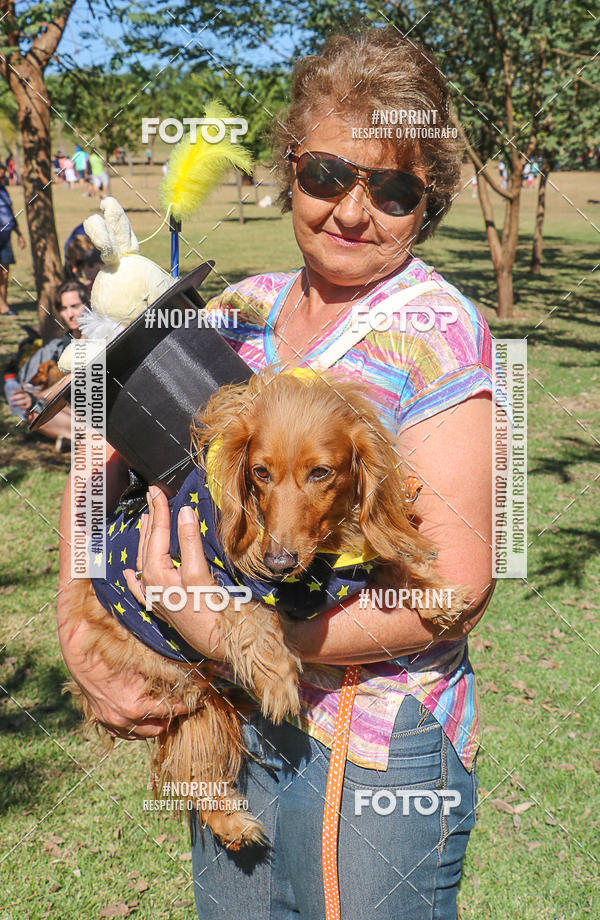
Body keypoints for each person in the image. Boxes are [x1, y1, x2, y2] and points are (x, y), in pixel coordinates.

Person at [57, 28, 496, 920]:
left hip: (370, 752)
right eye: (328, 174)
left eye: (396, 189)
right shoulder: (239, 311)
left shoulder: (446, 337)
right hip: (231, 729)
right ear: (291, 166)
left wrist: (231, 638)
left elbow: (458, 587)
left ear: (430, 204)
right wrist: (76, 613)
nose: (352, 211)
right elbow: (97, 443)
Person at [4, 279, 88, 442]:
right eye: (64, 308)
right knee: (37, 415)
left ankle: (84, 439)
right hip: (77, 407)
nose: (70, 314)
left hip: (100, 405)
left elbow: (74, 380)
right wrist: (34, 398)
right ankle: (83, 439)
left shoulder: (97, 334)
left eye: (75, 306)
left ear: (88, 304)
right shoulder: (67, 341)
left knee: (40, 405)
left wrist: (38, 397)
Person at [0, 164, 26, 316]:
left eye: (3, 177)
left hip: (5, 238)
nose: (1, 179)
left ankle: (4, 303)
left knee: (4, 273)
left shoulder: (4, 191)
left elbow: (10, 214)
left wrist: (20, 234)